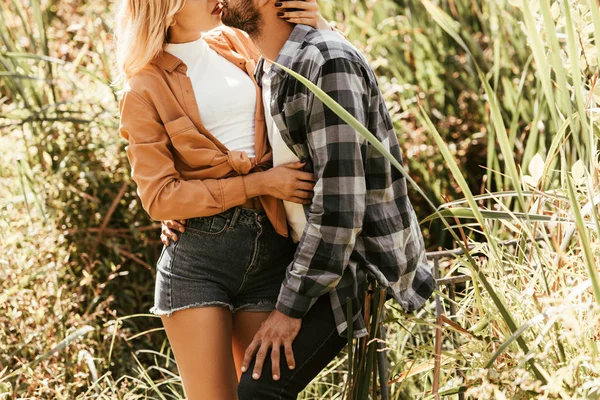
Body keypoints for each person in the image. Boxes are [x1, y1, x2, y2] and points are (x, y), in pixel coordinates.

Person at [218, 1, 436, 398]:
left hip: (357, 262)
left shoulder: (326, 62)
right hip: (307, 252)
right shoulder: (269, 63)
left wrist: (288, 311)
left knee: (259, 390)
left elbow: (340, 210)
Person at [114, 1, 331, 398]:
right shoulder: (143, 87)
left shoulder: (236, 42)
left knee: (265, 394)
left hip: (270, 247)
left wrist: (319, 26)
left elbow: (322, 79)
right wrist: (262, 184)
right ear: (169, 8)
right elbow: (160, 197)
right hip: (200, 259)